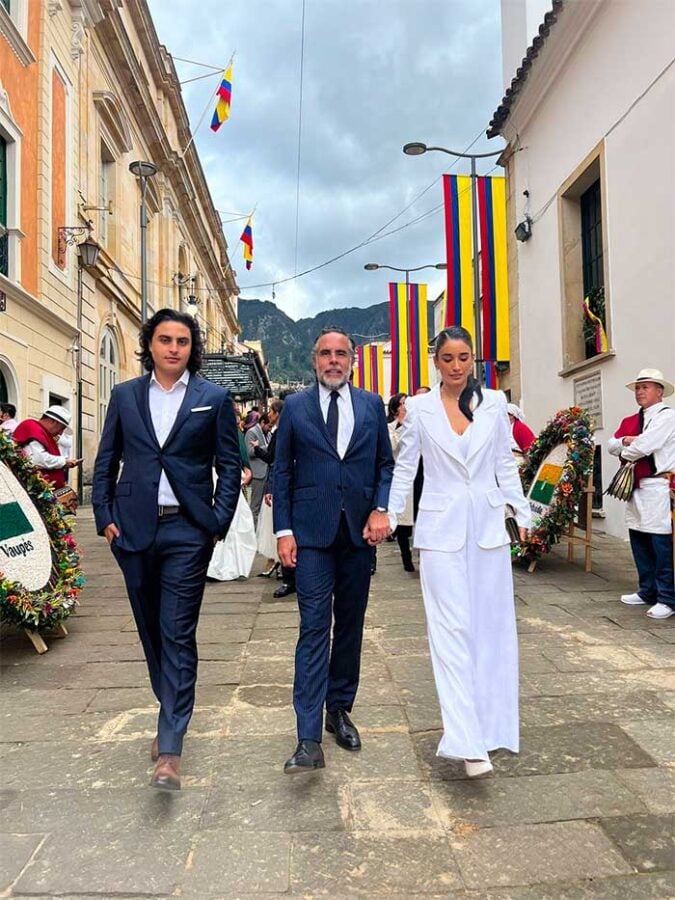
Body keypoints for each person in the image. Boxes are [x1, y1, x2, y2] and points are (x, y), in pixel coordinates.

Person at [92, 308, 241, 791]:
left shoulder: (212, 398)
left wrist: (215, 524)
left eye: (182, 340)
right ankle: (169, 709)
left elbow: (229, 462)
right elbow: (106, 460)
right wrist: (105, 518)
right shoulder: (124, 395)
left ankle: (170, 748)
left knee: (176, 632)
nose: (174, 347)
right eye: (164, 339)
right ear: (150, 345)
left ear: (191, 347)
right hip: (132, 532)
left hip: (187, 534)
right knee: (150, 630)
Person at [387, 326, 531, 779]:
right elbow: (405, 467)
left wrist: (522, 510)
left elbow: (504, 464)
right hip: (440, 530)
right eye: (447, 358)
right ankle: (466, 741)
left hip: (488, 528)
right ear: (436, 361)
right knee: (449, 632)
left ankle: (490, 729)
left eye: (463, 357)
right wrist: (388, 516)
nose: (455, 366)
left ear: (474, 360)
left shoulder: (493, 405)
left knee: (491, 630)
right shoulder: (420, 410)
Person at [273, 327, 394, 774]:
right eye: (325, 353)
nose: (333, 360)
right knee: (313, 627)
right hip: (311, 535)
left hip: (359, 534)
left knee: (350, 626)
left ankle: (338, 709)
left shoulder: (370, 406)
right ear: (314, 360)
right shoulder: (295, 407)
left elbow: (385, 463)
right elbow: (282, 471)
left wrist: (381, 508)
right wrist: (283, 531)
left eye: (341, 353)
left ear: (353, 359)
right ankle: (307, 738)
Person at [608, 368, 675, 620]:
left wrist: (626, 447)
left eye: (645, 387)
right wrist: (627, 440)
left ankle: (667, 597)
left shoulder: (667, 417)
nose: (639, 392)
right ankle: (647, 590)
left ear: (659, 391)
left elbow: (646, 446)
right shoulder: (634, 420)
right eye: (638, 387)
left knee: (660, 543)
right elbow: (612, 444)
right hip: (636, 485)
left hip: (658, 486)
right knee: (639, 539)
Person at [13, 406, 81, 491]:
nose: (60, 433)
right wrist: (64, 462)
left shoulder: (42, 432)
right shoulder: (34, 428)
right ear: (53, 421)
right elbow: (38, 459)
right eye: (62, 428)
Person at [387, 393, 415, 572]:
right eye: (402, 403)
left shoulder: (418, 422)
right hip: (401, 475)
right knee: (404, 524)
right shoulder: (390, 427)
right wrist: (401, 425)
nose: (406, 406)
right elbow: (392, 447)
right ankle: (407, 558)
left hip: (420, 475)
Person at [244, 412, 270, 526]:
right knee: (255, 506)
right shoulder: (252, 432)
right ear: (262, 422)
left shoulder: (267, 434)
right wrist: (266, 447)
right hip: (258, 474)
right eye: (268, 426)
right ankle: (252, 533)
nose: (269, 429)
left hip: (266, 473)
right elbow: (248, 452)